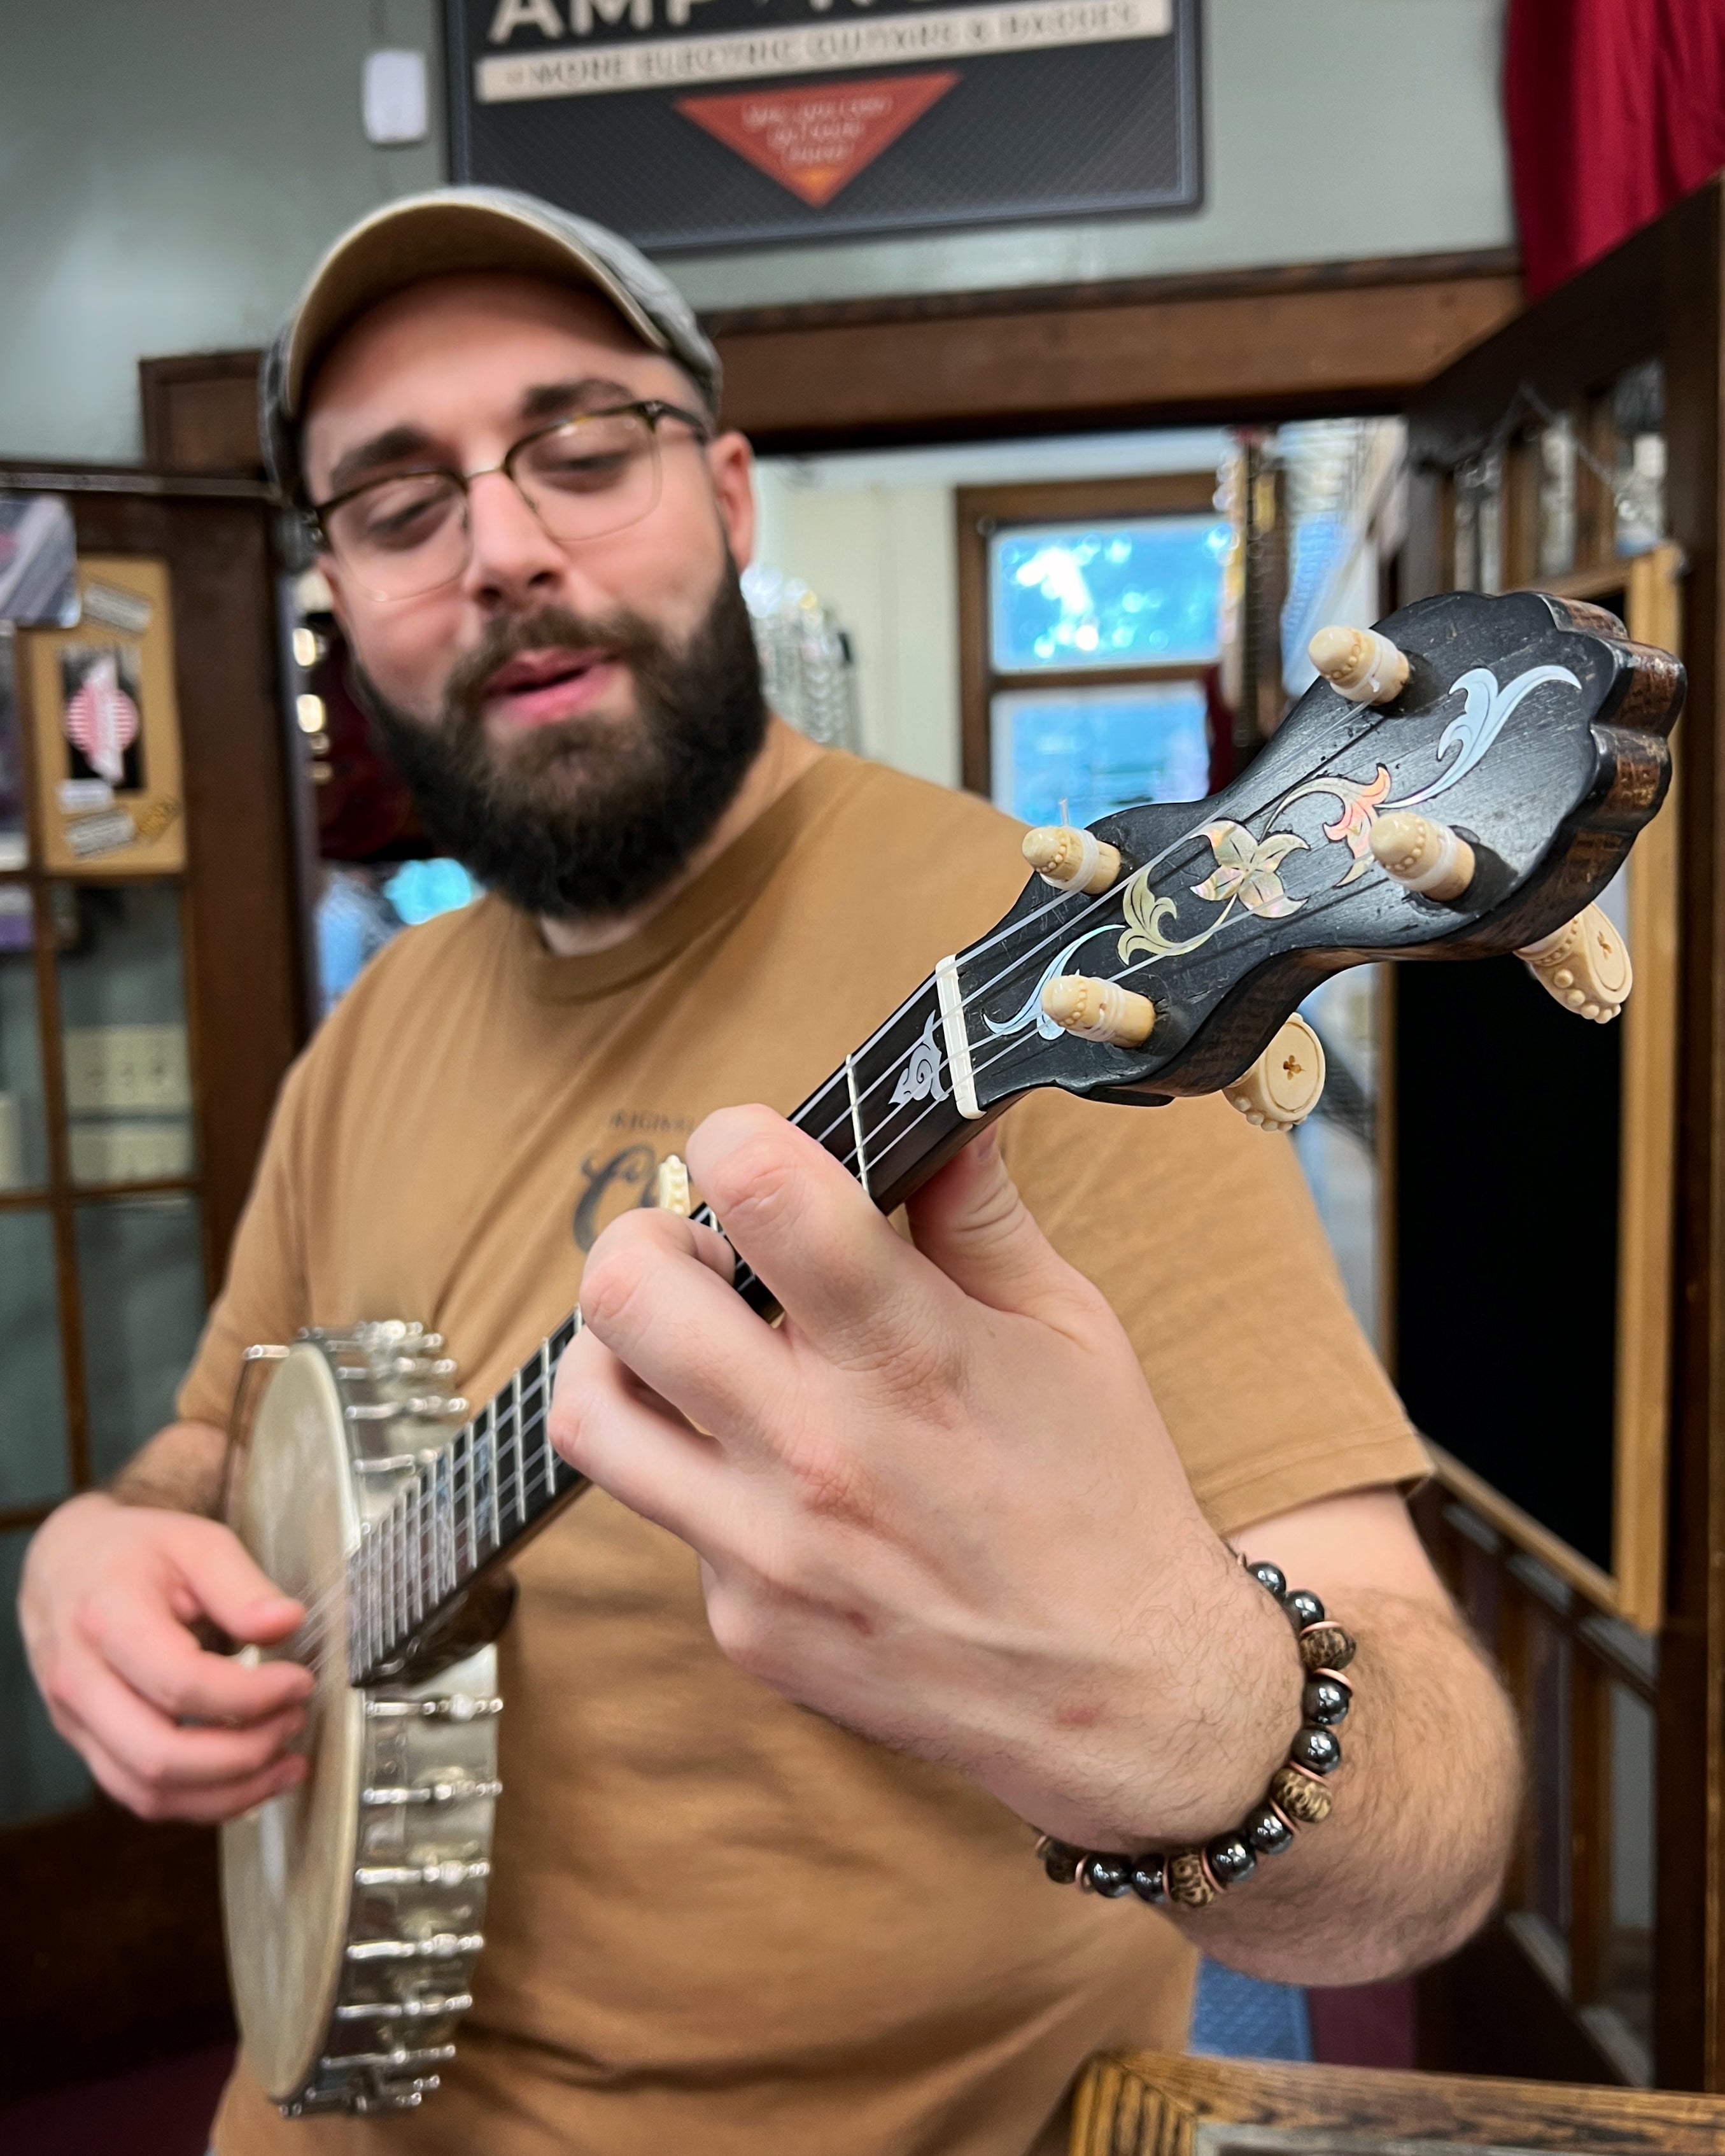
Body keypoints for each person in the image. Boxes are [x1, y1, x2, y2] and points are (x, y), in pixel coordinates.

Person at [20, 188, 1518, 2156]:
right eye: (397, 502)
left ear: (728, 491)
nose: (503, 548)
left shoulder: (1046, 982)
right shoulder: (371, 1027)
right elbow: (209, 1444)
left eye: (581, 449)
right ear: (340, 590)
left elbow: (1437, 1832)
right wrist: (90, 1550)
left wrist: (1197, 1720)